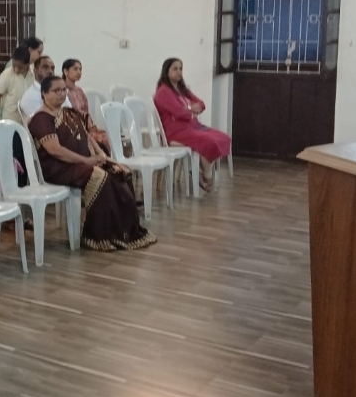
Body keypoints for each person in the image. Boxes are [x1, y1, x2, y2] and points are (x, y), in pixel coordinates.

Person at [28, 76, 156, 252]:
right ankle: (98, 236)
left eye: (63, 90)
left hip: (78, 162)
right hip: (57, 167)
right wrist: (87, 161)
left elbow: (85, 135)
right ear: (44, 93)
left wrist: (102, 155)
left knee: (119, 171)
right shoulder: (41, 119)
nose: (61, 94)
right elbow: (55, 150)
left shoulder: (68, 112)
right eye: (56, 91)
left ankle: (124, 231)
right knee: (100, 177)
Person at [153, 57, 232, 193]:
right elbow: (179, 113)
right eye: (175, 69)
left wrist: (194, 108)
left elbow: (201, 103)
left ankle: (201, 172)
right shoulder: (163, 91)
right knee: (210, 142)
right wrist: (191, 108)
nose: (179, 72)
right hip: (175, 132)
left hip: (193, 126)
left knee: (222, 137)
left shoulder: (182, 89)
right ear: (167, 71)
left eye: (181, 69)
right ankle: (206, 177)